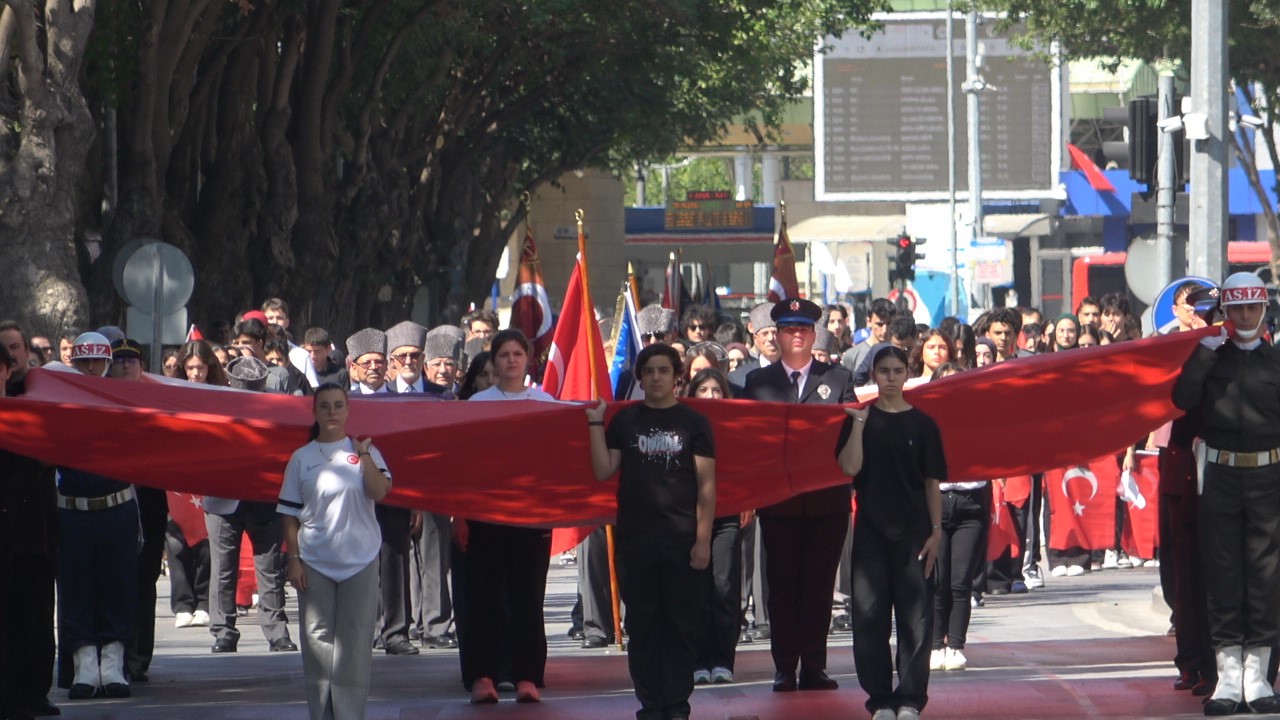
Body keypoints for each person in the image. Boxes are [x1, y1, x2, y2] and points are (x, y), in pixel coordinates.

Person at [587, 342, 715, 720]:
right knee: (642, 625)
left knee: (680, 626)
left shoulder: (695, 423)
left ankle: (676, 704)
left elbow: (707, 485)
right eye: (649, 371)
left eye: (663, 370)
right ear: (640, 378)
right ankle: (650, 703)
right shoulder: (625, 422)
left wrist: (703, 540)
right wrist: (596, 422)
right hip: (636, 542)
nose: (656, 377)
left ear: (677, 377)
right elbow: (602, 470)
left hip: (683, 541)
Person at [1172, 272, 1280, 715]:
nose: (1245, 315)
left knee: (1266, 575)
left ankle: (1259, 676)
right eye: (1236, 308)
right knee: (1221, 574)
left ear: (1263, 310)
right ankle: (1227, 677)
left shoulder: (1276, 362)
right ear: (1225, 312)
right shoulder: (1209, 356)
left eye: (1252, 307)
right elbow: (1181, 399)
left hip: (1269, 478)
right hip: (1218, 476)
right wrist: (1200, 356)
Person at [743, 298, 855, 693]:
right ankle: (784, 666)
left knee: (819, 586)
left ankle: (814, 665)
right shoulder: (759, 383)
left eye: (804, 329)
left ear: (814, 334)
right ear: (776, 335)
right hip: (780, 502)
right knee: (783, 584)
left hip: (827, 501)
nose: (796, 335)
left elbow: (848, 437)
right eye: (789, 329)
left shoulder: (838, 378)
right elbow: (749, 443)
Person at [838, 345, 947, 720]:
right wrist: (857, 424)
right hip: (870, 532)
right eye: (883, 371)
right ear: (874, 375)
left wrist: (936, 532)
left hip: (915, 533)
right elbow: (849, 468)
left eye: (897, 371)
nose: (890, 378)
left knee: (916, 618)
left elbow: (932, 483)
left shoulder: (924, 425)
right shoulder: (860, 418)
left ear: (907, 373)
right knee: (869, 617)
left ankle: (911, 698)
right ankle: (880, 698)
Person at [279, 383, 392, 720]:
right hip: (314, 561)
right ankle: (322, 713)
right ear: (314, 411)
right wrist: (293, 559)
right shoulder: (302, 458)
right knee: (317, 642)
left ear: (348, 410)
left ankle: (349, 713)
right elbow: (289, 514)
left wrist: (366, 455)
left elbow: (379, 491)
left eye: (338, 406)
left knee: (355, 641)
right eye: (325, 406)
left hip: (360, 560)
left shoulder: (365, 452)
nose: (331, 412)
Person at [459, 329, 555, 704]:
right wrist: (461, 515)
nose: (511, 360)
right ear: (494, 361)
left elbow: (553, 460)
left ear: (527, 359)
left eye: (518, 354)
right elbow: (463, 465)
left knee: (527, 597)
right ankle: (483, 676)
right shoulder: (477, 404)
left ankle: (527, 676)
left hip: (529, 515)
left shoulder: (544, 402)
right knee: (483, 597)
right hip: (485, 513)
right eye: (504, 355)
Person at [57, 332, 142, 700]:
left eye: (97, 361)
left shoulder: (124, 400)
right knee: (76, 589)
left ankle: (113, 664)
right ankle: (83, 666)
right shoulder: (57, 400)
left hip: (116, 507)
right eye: (84, 361)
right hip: (73, 511)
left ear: (107, 362)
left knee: (117, 587)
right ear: (74, 362)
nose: (91, 368)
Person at [204, 356, 299, 655]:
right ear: (231, 383)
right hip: (222, 498)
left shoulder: (276, 411)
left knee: (269, 566)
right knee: (222, 568)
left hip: (264, 498)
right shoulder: (213, 408)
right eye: (244, 388)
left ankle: (276, 630)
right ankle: (223, 631)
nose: (249, 393)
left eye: (254, 388)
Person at [0, 335, 60, 719]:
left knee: (30, 618)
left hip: (26, 536)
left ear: (6, 371)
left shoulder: (29, 414)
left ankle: (29, 693)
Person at [683, 368, 746, 686]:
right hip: (687, 518)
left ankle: (722, 660)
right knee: (694, 591)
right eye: (703, 390)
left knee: (724, 589)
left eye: (716, 390)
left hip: (727, 516)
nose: (710, 396)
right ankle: (697, 661)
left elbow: (748, 465)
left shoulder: (735, 425)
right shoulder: (681, 424)